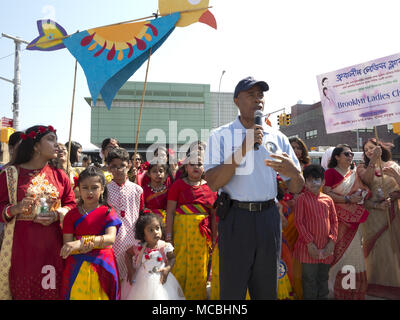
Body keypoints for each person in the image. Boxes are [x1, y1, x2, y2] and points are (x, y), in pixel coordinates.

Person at [204, 76, 304, 300]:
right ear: (237, 100)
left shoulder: (277, 137)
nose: (258, 100)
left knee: (267, 290)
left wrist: (293, 172)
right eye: (251, 94)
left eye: (261, 95)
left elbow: (297, 187)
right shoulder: (220, 136)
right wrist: (243, 147)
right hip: (236, 218)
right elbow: (213, 182)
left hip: (268, 219)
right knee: (232, 290)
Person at [0, 125, 76, 300]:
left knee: (52, 292)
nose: (56, 144)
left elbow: (72, 204)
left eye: (56, 140)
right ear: (35, 146)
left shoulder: (60, 175)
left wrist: (57, 215)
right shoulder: (11, 174)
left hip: (53, 245)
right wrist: (15, 209)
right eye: (50, 139)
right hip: (22, 248)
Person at [60, 166, 121, 300]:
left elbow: (110, 239)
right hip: (77, 265)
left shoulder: (108, 212)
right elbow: (68, 245)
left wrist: (83, 242)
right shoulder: (71, 215)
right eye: (85, 188)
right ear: (79, 189)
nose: (90, 192)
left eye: (94, 187)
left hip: (102, 265)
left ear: (102, 189)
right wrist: (80, 247)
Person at [166, 151, 217, 300]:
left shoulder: (210, 187)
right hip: (180, 233)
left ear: (205, 167)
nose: (195, 167)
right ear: (186, 167)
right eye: (192, 164)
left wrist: (214, 238)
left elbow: (214, 216)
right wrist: (169, 238)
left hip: (201, 236)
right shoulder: (177, 186)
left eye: (199, 164)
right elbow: (170, 212)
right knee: (179, 267)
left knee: (198, 268)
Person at [323, 144, 369, 300]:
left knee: (354, 252)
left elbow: (363, 190)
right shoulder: (330, 173)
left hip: (354, 222)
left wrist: (361, 195)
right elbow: (326, 193)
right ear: (336, 157)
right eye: (346, 154)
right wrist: (347, 199)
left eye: (351, 154)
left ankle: (352, 291)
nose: (350, 157)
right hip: (337, 219)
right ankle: (335, 290)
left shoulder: (354, 173)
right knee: (338, 253)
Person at [357, 138, 400, 299]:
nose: (369, 151)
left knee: (392, 247)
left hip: (392, 213)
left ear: (380, 147)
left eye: (372, 147)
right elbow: (367, 181)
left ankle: (394, 284)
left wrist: (393, 194)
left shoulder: (393, 166)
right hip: (373, 215)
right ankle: (374, 282)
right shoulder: (362, 168)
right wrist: (373, 162)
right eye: (366, 149)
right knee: (375, 249)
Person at [293, 164, 338, 300]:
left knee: (323, 277)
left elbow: (334, 221)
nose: (313, 183)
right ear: (305, 183)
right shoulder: (301, 199)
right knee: (309, 278)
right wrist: (309, 243)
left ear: (323, 182)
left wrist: (332, 241)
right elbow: (298, 222)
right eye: (310, 180)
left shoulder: (328, 199)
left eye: (317, 179)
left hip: (326, 247)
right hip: (308, 249)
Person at [105, 148, 144, 298]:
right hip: (113, 238)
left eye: (121, 165)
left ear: (128, 165)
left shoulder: (137, 190)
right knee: (114, 277)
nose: (118, 170)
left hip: (132, 237)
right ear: (108, 168)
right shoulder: (105, 190)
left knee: (131, 277)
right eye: (113, 166)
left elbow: (140, 213)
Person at [125, 212, 185, 300]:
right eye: (151, 230)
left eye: (157, 228)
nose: (156, 232)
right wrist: (131, 271)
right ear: (143, 235)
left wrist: (167, 269)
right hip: (141, 282)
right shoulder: (139, 247)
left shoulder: (164, 246)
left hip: (161, 281)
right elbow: (127, 254)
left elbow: (172, 258)